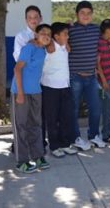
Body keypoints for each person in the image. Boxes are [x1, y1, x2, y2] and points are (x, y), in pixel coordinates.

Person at [11, 24, 52, 173]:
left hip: (36, 92)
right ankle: (21, 161)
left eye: (49, 33)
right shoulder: (29, 48)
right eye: (42, 33)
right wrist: (20, 93)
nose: (46, 35)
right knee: (21, 126)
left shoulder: (42, 50)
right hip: (21, 92)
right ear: (35, 34)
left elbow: (50, 45)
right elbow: (17, 68)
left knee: (36, 124)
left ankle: (38, 156)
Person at [68, 1, 106, 150]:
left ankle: (94, 135)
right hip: (75, 76)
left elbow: (106, 38)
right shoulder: (70, 30)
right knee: (74, 109)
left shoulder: (96, 29)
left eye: (88, 13)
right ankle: (75, 137)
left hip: (91, 77)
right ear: (77, 14)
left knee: (96, 108)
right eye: (82, 13)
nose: (86, 16)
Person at [12, 5, 47, 152]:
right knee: (22, 120)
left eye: (36, 17)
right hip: (24, 85)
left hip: (39, 84)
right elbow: (19, 60)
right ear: (26, 20)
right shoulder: (22, 37)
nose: (33, 20)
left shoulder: (46, 35)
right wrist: (34, 44)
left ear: (41, 18)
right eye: (30, 18)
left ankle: (37, 146)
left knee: (37, 119)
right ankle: (20, 148)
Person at [41, 22, 77, 158]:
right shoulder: (49, 47)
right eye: (65, 34)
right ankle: (54, 146)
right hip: (50, 88)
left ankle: (65, 144)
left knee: (65, 117)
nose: (67, 37)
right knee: (52, 119)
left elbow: (67, 47)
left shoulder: (63, 47)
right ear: (55, 36)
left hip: (65, 87)